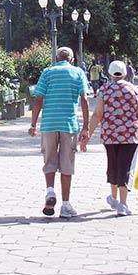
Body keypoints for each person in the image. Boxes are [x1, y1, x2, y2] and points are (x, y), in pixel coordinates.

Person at [82, 60, 138, 217]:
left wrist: (87, 135)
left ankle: (113, 197)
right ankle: (123, 204)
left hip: (110, 134)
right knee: (125, 167)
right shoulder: (134, 90)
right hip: (130, 135)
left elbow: (98, 114)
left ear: (110, 74)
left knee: (112, 164)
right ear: (125, 73)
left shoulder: (104, 90)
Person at [29, 47, 90, 218]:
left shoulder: (47, 72)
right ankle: (65, 205)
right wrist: (85, 126)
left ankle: (50, 192)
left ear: (56, 58)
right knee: (66, 164)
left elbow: (38, 99)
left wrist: (33, 124)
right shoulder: (78, 73)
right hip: (68, 125)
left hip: (49, 124)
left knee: (49, 160)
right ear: (71, 59)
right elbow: (84, 99)